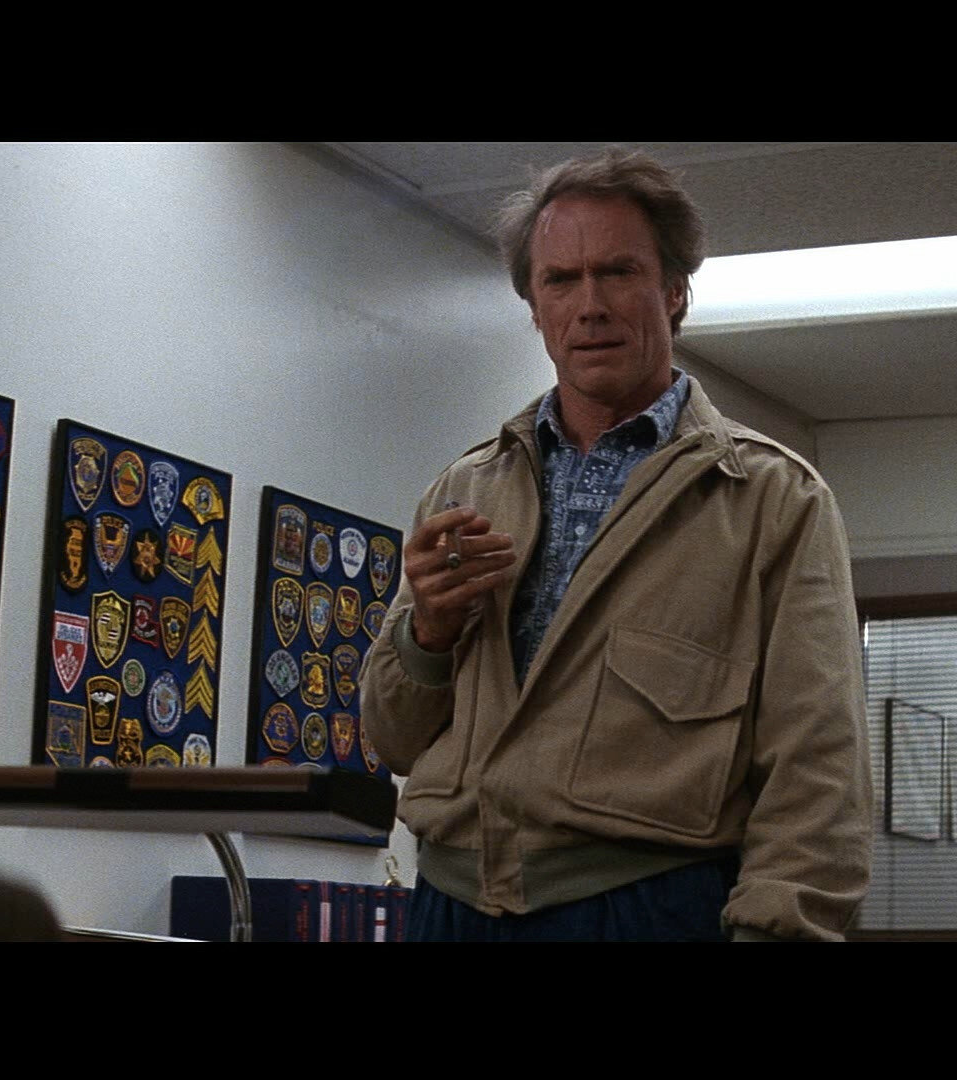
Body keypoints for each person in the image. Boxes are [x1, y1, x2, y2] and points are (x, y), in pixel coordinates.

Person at [359, 147, 872, 941]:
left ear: (675, 292)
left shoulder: (771, 499)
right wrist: (427, 633)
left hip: (645, 906)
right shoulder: (465, 489)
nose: (589, 305)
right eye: (560, 280)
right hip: (449, 906)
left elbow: (818, 771)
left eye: (618, 272)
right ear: (535, 307)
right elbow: (392, 739)